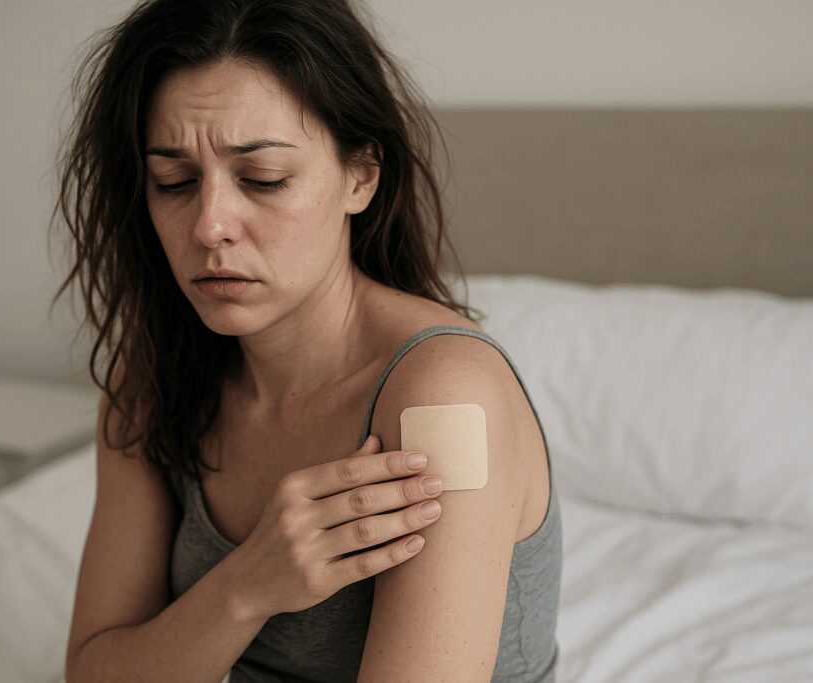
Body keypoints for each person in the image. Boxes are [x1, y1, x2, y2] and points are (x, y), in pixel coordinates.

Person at [53, 1, 561, 681]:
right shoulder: (150, 381)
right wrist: (248, 584)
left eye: (263, 179)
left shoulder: (444, 394)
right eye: (173, 182)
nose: (210, 226)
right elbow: (94, 671)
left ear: (361, 176)